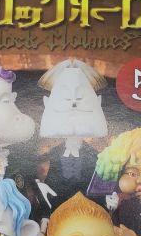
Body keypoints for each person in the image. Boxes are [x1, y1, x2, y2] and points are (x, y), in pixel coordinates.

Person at [34, 59, 107, 211]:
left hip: (87, 205)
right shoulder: (55, 152)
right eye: (67, 98)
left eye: (79, 98)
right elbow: (49, 178)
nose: (73, 103)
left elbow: (98, 185)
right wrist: (40, 187)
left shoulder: (94, 155)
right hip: (59, 202)